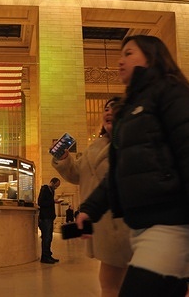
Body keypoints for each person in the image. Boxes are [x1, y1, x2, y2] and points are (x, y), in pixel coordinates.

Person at [76, 35, 189, 297]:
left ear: (152, 56)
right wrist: (91, 208)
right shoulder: (131, 110)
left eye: (129, 54)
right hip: (141, 225)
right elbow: (118, 173)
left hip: (170, 223)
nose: (120, 61)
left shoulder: (173, 92)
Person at [52, 97, 131, 296]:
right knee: (110, 283)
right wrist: (64, 159)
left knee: (120, 283)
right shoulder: (94, 147)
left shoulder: (132, 145)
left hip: (123, 224)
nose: (108, 111)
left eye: (115, 108)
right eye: (105, 108)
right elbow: (77, 174)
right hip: (98, 222)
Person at [37, 177, 62, 264]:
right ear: (52, 182)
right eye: (56, 185)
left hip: (49, 217)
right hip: (45, 218)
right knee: (46, 237)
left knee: (49, 237)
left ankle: (48, 255)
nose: (56, 187)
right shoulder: (45, 189)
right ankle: (44, 257)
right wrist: (53, 201)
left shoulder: (51, 191)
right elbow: (40, 202)